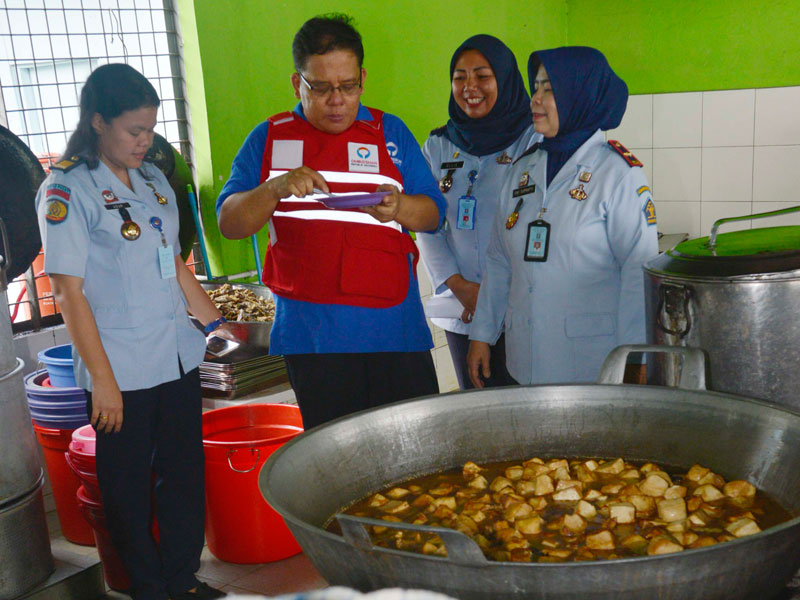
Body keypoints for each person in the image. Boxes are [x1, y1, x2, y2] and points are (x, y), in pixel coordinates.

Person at [35, 64, 226, 600]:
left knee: (184, 475)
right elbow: (68, 293)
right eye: (134, 131)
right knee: (126, 490)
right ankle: (147, 588)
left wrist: (216, 324)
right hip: (118, 368)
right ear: (98, 122)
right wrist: (103, 382)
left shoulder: (152, 179)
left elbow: (177, 264)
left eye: (150, 129)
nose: (146, 142)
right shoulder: (69, 189)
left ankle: (181, 578)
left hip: (176, 356)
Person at [216, 14, 445, 429]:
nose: (337, 100)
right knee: (336, 468)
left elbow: (434, 214)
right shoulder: (268, 138)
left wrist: (400, 208)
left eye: (348, 86)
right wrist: (273, 189)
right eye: (320, 88)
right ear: (296, 83)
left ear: (362, 77)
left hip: (393, 334)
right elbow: (229, 222)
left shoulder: (389, 131)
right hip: (314, 342)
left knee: (417, 456)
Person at [467, 46, 659, 387]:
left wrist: (637, 358)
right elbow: (498, 260)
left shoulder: (618, 174)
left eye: (550, 89)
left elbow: (638, 273)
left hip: (593, 365)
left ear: (579, 95)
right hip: (524, 360)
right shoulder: (520, 171)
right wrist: (481, 333)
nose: (535, 99)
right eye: (536, 87)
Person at [418, 34, 540, 390]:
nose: (470, 87)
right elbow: (427, 225)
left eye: (482, 76)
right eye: (459, 77)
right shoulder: (438, 145)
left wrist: (496, 296)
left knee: (527, 417)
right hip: (462, 309)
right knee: (480, 415)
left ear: (504, 79)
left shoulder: (534, 141)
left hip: (521, 306)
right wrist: (459, 287)